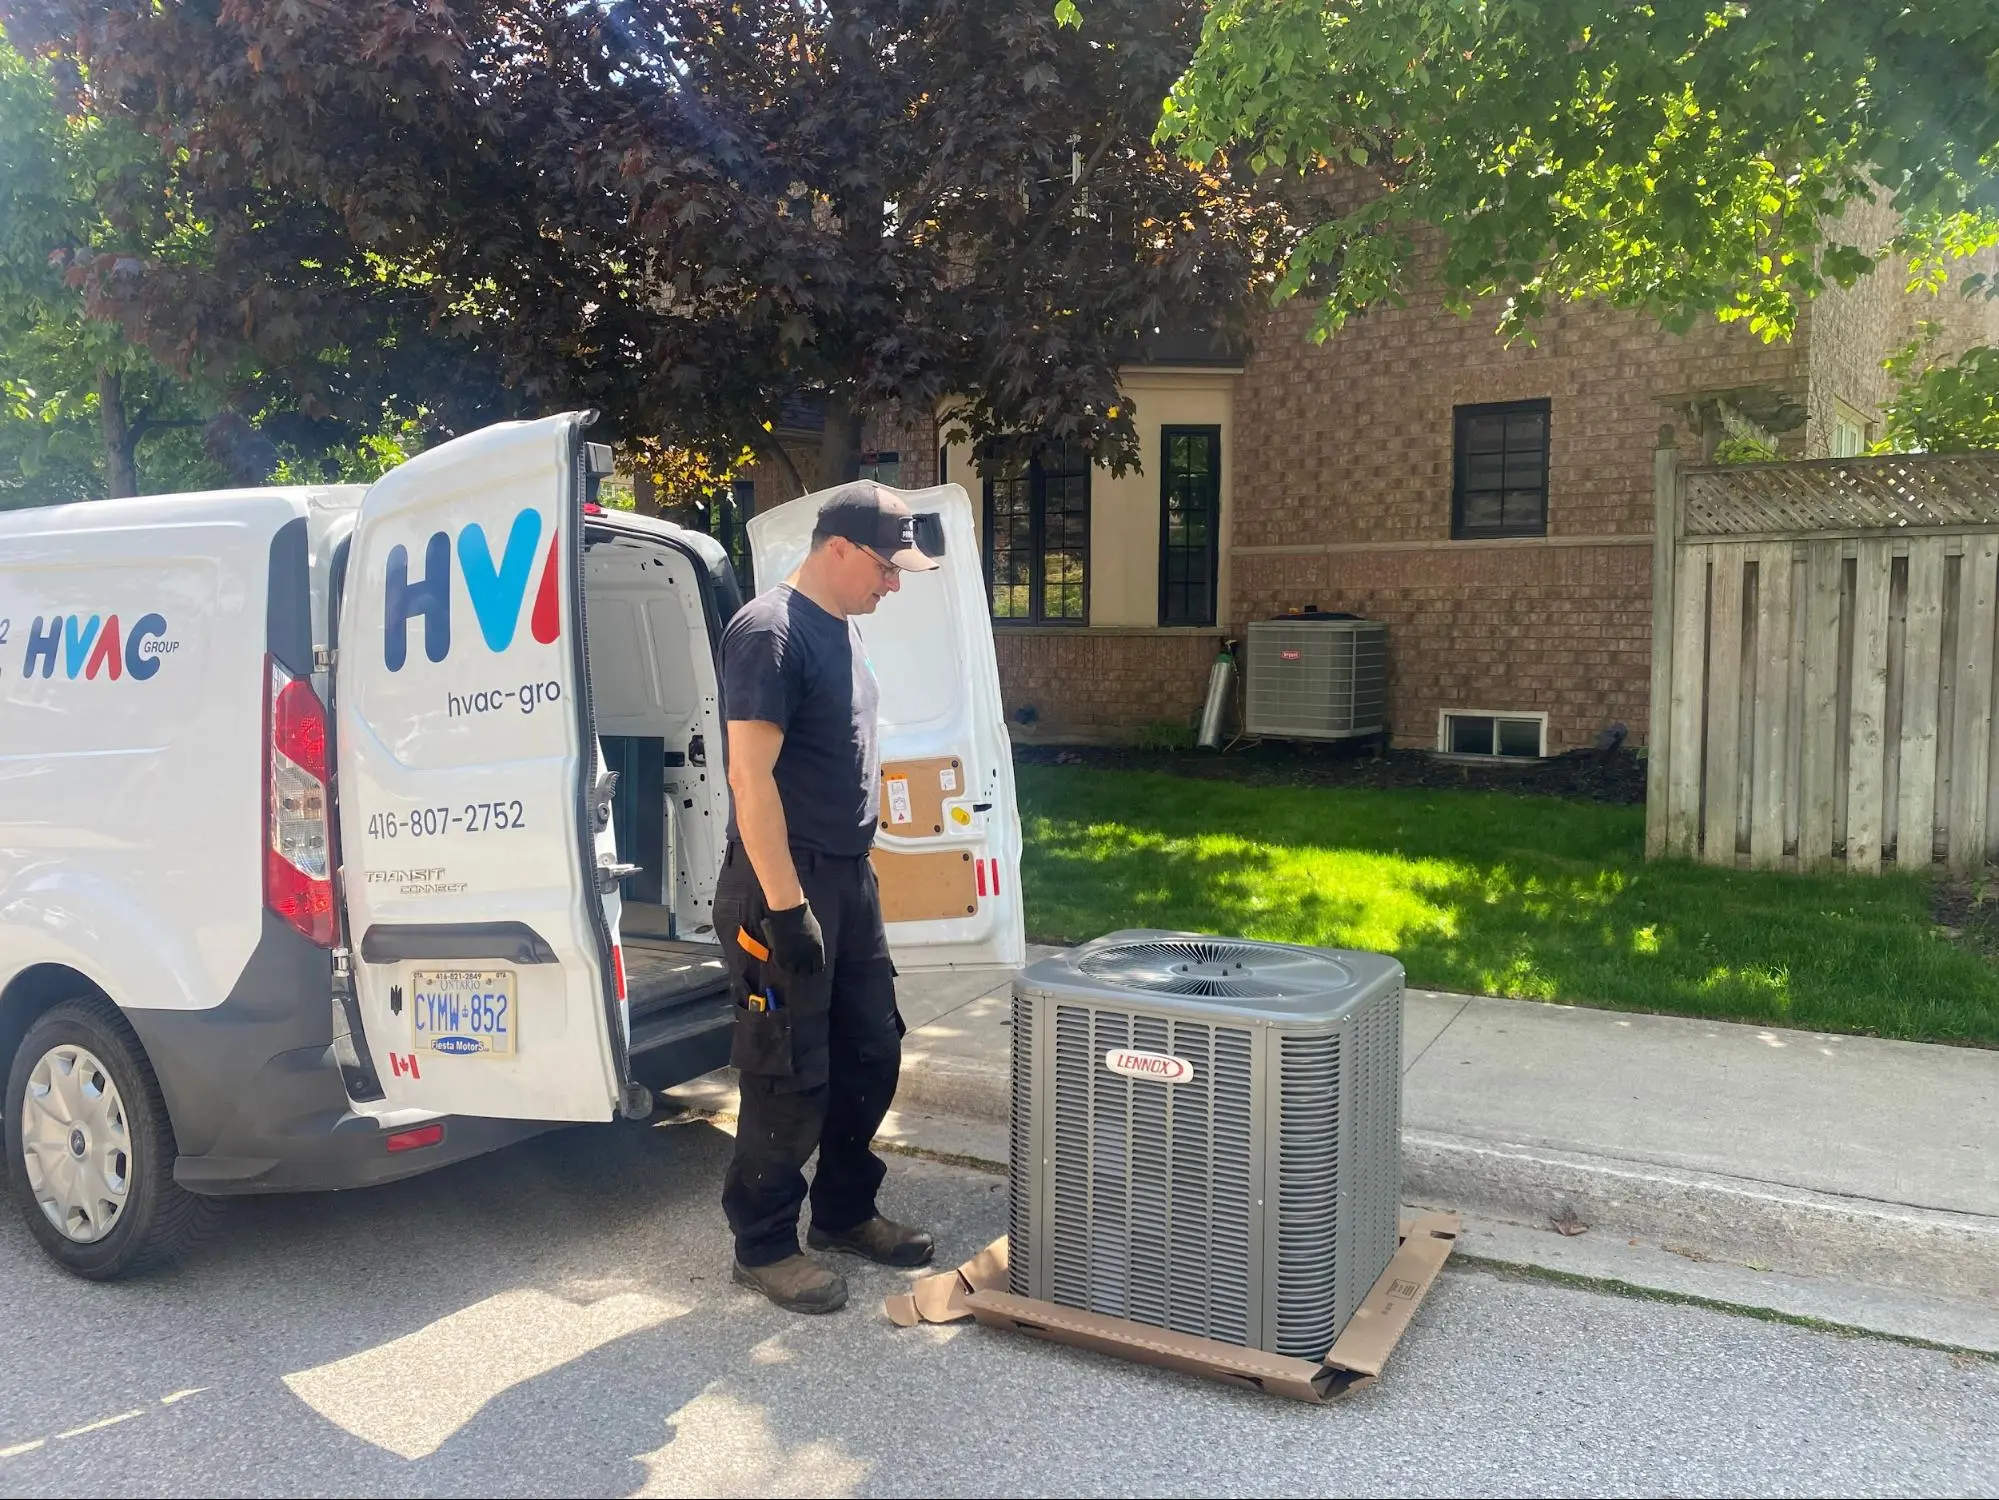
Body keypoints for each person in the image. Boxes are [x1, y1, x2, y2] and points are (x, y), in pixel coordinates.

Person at [713, 480, 940, 1314]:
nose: (894, 582)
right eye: (886, 565)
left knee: (870, 1054)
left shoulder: (837, 630)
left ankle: (843, 1213)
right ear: (837, 547)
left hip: (847, 877)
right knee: (789, 1073)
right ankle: (764, 1243)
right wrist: (784, 907)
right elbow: (750, 776)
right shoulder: (769, 632)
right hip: (783, 882)